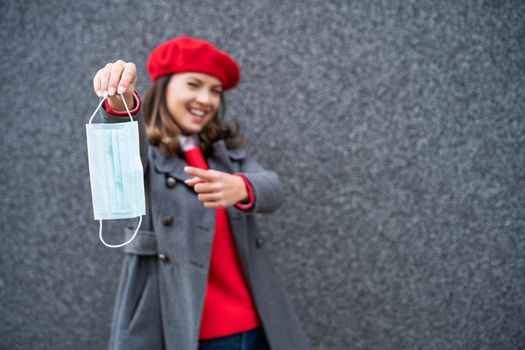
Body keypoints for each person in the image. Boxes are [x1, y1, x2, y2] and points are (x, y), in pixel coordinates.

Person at [92, 36, 310, 350]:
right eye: (194, 84)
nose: (206, 99)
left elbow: (274, 188)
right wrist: (119, 104)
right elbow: (124, 159)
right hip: (190, 330)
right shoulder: (149, 156)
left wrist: (242, 186)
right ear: (163, 88)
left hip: (258, 324)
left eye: (215, 91)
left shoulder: (225, 154)